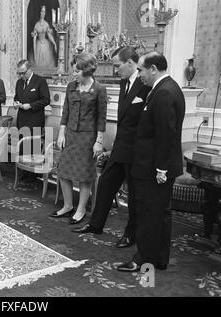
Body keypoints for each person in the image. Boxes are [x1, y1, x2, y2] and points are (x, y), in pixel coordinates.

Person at [72, 47, 151, 249]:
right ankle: (95, 224)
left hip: (135, 150)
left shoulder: (146, 84)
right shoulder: (125, 82)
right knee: (106, 184)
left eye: (117, 66)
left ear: (130, 63)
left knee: (133, 195)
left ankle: (130, 234)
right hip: (120, 147)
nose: (116, 70)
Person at [116, 52, 185, 272]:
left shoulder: (164, 93)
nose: (140, 74)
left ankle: (143, 259)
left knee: (149, 214)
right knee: (161, 214)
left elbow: (166, 135)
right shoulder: (166, 88)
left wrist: (161, 169)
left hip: (155, 168)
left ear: (153, 69)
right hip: (156, 165)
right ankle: (159, 259)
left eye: (142, 70)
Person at [50, 53, 107, 224]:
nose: (73, 74)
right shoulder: (71, 86)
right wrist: (61, 134)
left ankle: (81, 209)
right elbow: (65, 111)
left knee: (84, 175)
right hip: (70, 135)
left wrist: (99, 141)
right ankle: (68, 206)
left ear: (87, 71)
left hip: (88, 138)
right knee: (63, 172)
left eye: (76, 71)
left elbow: (101, 118)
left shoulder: (99, 89)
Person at [13, 60, 50, 179]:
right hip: (22, 119)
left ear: (29, 70)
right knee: (23, 146)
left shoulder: (40, 81)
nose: (21, 76)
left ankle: (33, 175)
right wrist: (16, 103)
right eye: (19, 73)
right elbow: (16, 97)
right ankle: (23, 172)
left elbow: (46, 100)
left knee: (33, 147)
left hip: (35, 119)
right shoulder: (19, 82)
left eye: (23, 73)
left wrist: (31, 105)